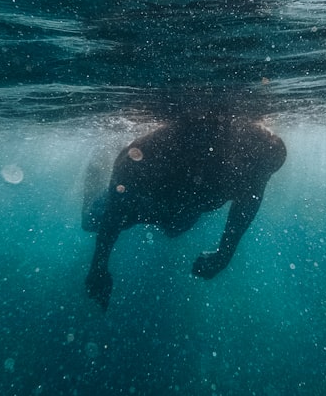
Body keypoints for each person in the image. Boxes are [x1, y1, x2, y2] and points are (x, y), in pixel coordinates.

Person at [84, 115, 287, 310]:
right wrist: (99, 266)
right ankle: (97, 165)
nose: (255, 183)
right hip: (141, 196)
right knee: (92, 221)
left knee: (174, 231)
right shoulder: (183, 138)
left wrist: (224, 254)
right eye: (252, 172)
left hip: (183, 205)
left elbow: (248, 204)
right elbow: (124, 173)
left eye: (263, 174)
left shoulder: (260, 158)